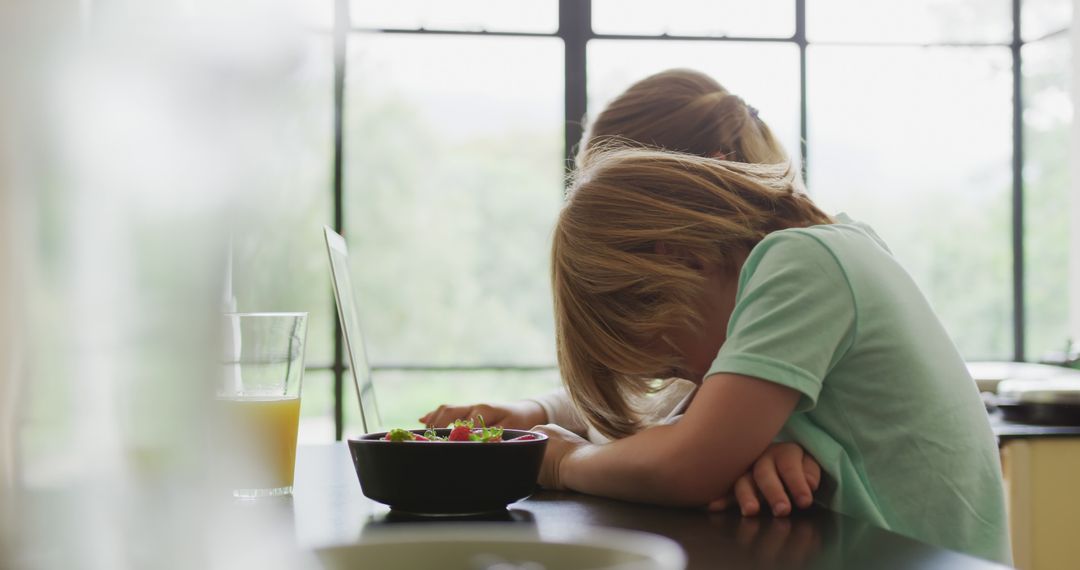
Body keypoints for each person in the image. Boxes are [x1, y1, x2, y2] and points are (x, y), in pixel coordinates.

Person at [530, 145, 1009, 564]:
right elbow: (697, 448)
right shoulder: (837, 248)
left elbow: (687, 464)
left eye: (676, 364)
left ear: (683, 260)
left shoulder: (803, 265)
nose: (697, 382)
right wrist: (747, 456)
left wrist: (562, 461)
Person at [423, 69, 823, 518]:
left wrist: (560, 460)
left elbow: (684, 456)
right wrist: (535, 412)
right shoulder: (730, 298)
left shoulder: (796, 272)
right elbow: (655, 404)